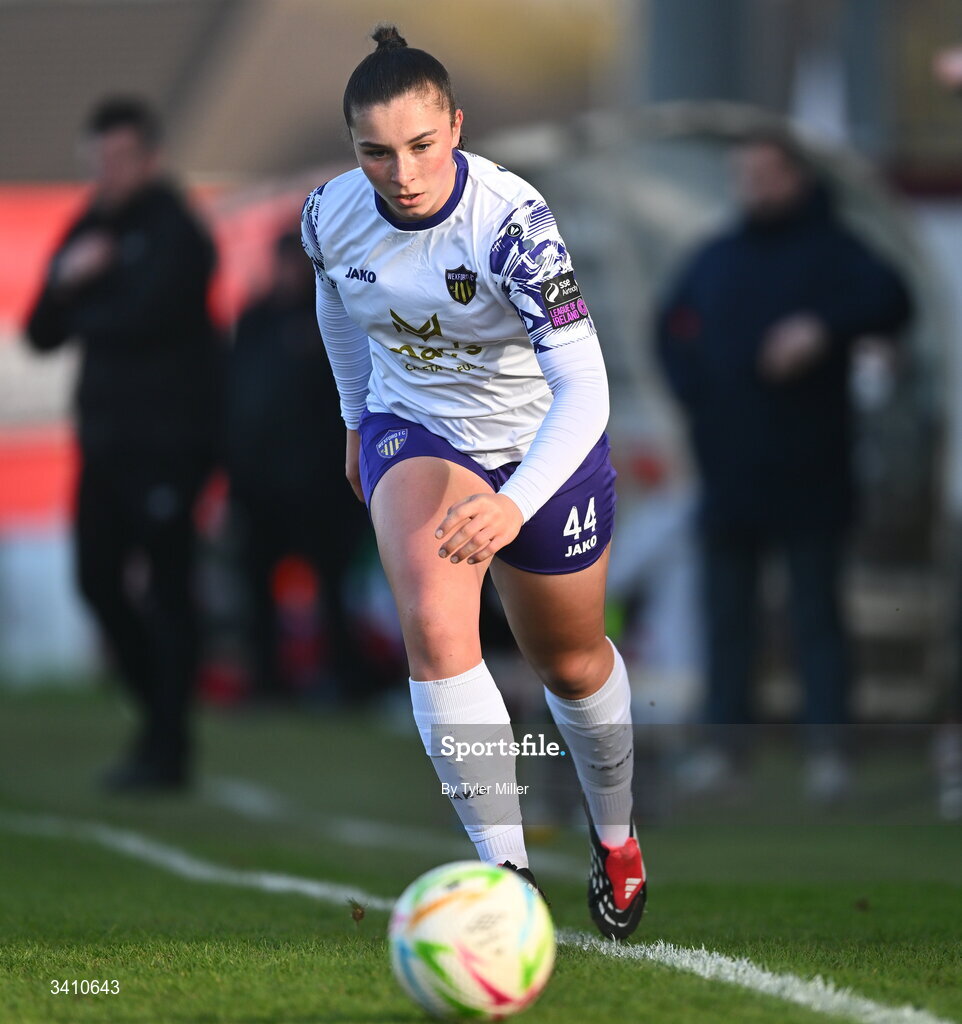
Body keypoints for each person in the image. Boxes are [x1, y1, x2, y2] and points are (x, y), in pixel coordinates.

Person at [301, 24, 644, 939]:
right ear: (354, 150)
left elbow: (587, 388)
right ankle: (507, 876)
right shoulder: (328, 212)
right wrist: (352, 418)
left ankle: (616, 835)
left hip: (540, 451)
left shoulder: (514, 226)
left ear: (457, 125)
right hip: (415, 429)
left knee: (569, 663)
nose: (402, 173)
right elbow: (336, 303)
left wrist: (514, 502)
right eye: (376, 152)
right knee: (434, 623)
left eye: (420, 145)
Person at [655, 132, 912, 801]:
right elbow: (670, 330)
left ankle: (829, 750)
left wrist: (822, 329)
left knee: (815, 617)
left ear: (797, 176)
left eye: (769, 173)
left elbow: (893, 298)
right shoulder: (717, 256)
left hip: (812, 468)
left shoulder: (835, 252)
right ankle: (724, 750)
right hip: (730, 470)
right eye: (746, 173)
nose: (756, 186)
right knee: (727, 618)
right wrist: (701, 401)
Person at [26, 97, 222, 792]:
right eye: (97, 160)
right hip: (104, 442)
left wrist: (88, 292)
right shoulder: (90, 228)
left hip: (170, 441)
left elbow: (148, 319)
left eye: (119, 158)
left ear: (149, 158)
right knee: (95, 580)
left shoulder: (177, 230)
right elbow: (41, 330)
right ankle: (158, 719)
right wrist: (66, 279)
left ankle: (169, 748)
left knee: (168, 590)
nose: (106, 172)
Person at [226, 230, 374, 702]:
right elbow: (235, 400)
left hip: (320, 483)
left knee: (332, 585)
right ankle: (268, 680)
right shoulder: (254, 321)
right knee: (256, 583)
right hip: (260, 483)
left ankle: (343, 677)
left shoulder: (333, 320)